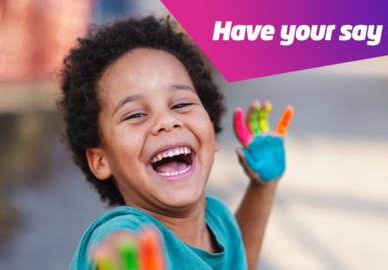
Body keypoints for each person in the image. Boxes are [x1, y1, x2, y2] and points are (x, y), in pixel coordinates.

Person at [59, 16, 293, 270]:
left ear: (210, 130)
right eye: (136, 114)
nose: (167, 121)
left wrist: (262, 188)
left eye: (181, 104)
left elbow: (241, 262)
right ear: (101, 160)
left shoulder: (218, 218)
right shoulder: (125, 232)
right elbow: (118, 249)